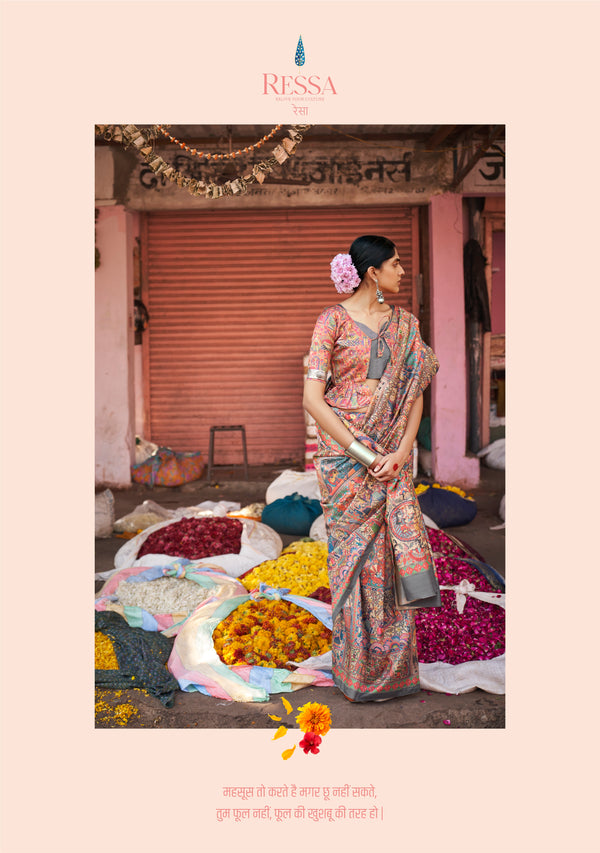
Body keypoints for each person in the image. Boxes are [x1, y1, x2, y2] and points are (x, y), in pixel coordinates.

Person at [303, 235, 441, 702]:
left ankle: (396, 672)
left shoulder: (406, 324)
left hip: (393, 460)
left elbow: (416, 392)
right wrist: (364, 454)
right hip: (347, 463)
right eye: (397, 264)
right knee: (355, 565)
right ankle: (357, 670)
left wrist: (401, 453)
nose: (403, 272)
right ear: (372, 273)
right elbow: (312, 399)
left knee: (389, 560)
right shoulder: (332, 321)